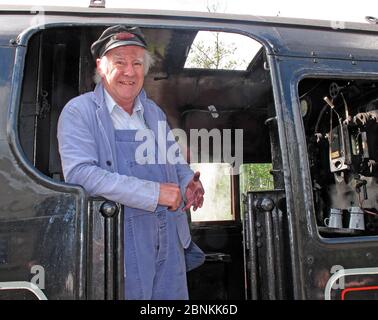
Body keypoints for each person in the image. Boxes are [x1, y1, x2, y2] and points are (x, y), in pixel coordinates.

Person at [57, 25, 205, 300]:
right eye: (120, 62)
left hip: (169, 235)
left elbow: (175, 160)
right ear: (101, 67)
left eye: (137, 63)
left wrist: (187, 182)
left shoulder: (153, 112)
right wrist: (155, 192)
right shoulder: (80, 111)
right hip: (120, 240)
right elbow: (80, 174)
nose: (129, 71)